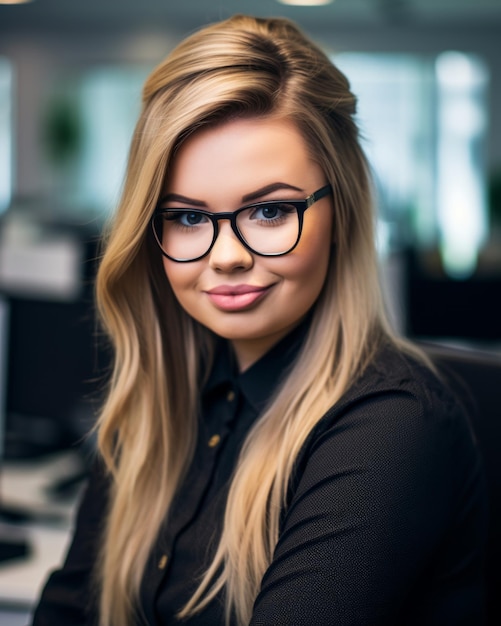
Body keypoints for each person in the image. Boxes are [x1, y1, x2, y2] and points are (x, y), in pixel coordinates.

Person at [32, 14, 487, 626]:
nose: (227, 257)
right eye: (188, 218)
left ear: (342, 210)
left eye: (270, 210)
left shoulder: (394, 426)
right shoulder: (159, 401)